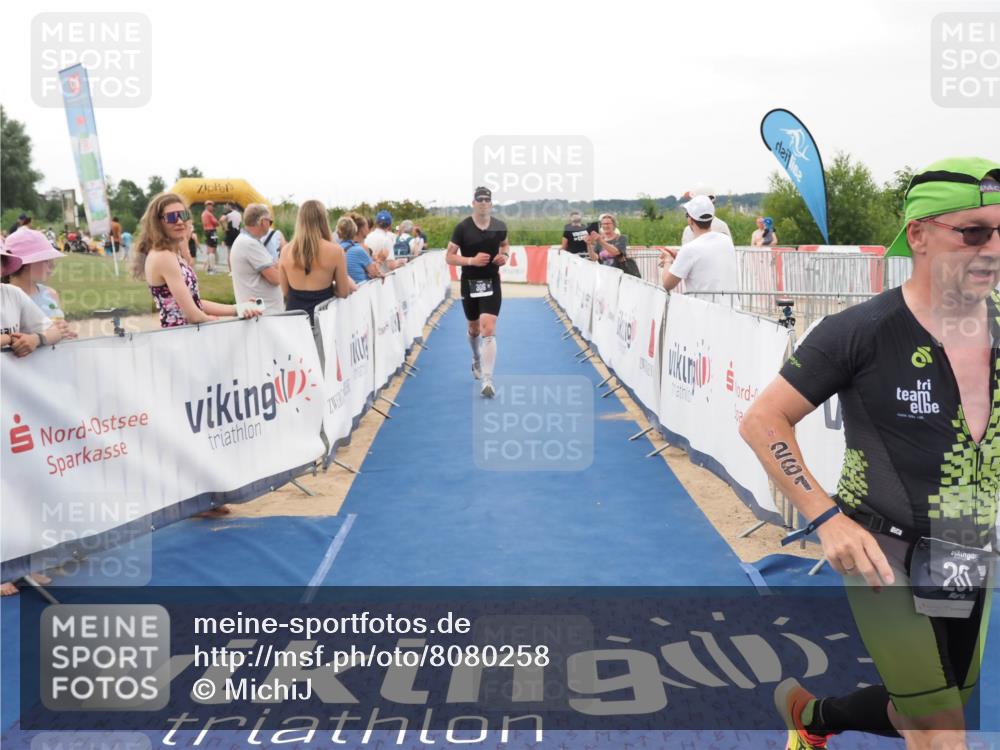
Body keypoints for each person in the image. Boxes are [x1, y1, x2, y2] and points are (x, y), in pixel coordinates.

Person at [740, 157, 1000, 750]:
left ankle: (812, 718)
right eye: (974, 232)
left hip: (967, 545)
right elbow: (763, 421)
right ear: (919, 235)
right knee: (941, 730)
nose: (993, 248)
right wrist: (826, 518)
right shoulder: (861, 329)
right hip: (883, 551)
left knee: (934, 707)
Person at [1, 246, 62, 596]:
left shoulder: (11, 295)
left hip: (14, 408)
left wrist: (36, 339)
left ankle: (21, 563)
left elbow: (53, 330)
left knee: (21, 481)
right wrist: (12, 339)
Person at [133, 193, 263, 328]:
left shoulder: (169, 254)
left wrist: (238, 308)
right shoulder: (163, 256)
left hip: (185, 335)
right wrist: (219, 322)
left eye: (183, 215)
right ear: (158, 223)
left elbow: (195, 302)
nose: (179, 221)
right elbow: (194, 316)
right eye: (171, 217)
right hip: (180, 338)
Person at [446, 186, 509, 398]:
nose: (483, 202)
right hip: (470, 281)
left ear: (491, 204)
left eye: (486, 199)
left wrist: (505, 256)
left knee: (488, 328)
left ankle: (488, 380)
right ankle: (475, 357)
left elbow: (505, 245)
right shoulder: (462, 228)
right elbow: (449, 256)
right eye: (479, 199)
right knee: (473, 329)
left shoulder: (500, 226)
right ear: (473, 202)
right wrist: (471, 260)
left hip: (492, 280)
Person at [279, 199, 351, 325]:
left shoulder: (286, 251)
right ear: (323, 220)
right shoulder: (336, 251)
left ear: (300, 220)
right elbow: (343, 292)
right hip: (323, 320)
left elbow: (285, 291)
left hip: (294, 320)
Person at [660, 195, 738, 304]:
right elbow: (705, 262)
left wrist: (668, 260)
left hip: (704, 314)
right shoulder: (726, 240)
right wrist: (680, 257)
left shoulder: (689, 249)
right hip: (730, 311)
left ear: (690, 220)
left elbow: (667, 284)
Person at [3, 228, 77, 339]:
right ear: (27, 263)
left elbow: (59, 329)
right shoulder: (6, 299)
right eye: (46, 260)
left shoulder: (50, 293)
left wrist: (64, 332)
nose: (51, 266)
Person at [231, 204, 284, 314]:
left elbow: (272, 269)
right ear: (263, 221)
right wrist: (281, 266)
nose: (270, 225)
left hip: (260, 313)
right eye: (270, 222)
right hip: (263, 315)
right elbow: (276, 279)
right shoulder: (250, 244)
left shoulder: (246, 241)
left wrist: (274, 267)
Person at [340, 215, 381, 284]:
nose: (368, 229)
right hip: (361, 290)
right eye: (367, 226)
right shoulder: (360, 249)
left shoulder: (339, 247)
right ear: (362, 229)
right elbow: (375, 273)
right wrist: (380, 260)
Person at [200, 200, 221, 273]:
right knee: (213, 249)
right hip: (212, 231)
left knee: (209, 250)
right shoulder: (209, 214)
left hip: (206, 231)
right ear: (208, 206)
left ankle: (208, 268)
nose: (213, 207)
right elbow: (216, 223)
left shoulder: (203, 214)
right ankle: (212, 269)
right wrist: (217, 222)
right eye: (212, 206)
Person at [222, 202, 242, 268]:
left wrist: (224, 228)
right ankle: (236, 268)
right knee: (237, 251)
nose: (225, 207)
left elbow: (221, 220)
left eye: (227, 206)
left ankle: (231, 270)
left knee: (229, 252)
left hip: (230, 232)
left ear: (230, 207)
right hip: (237, 233)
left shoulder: (229, 214)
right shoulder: (239, 214)